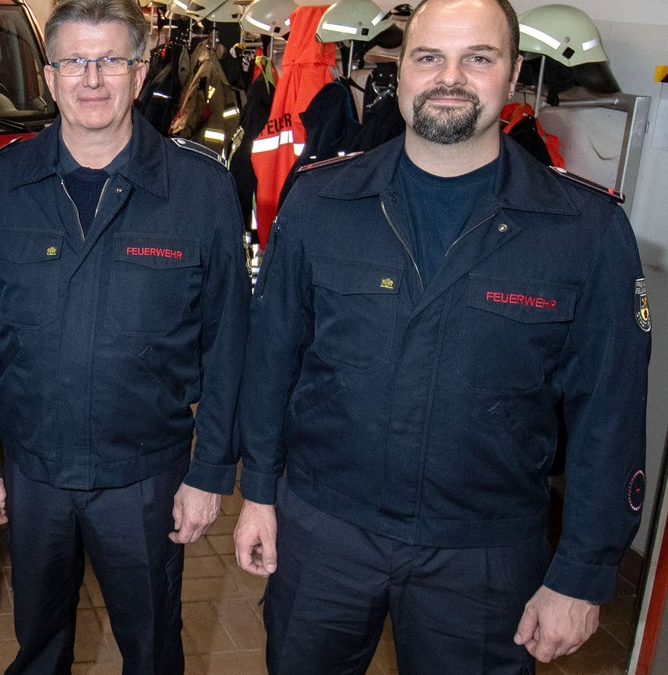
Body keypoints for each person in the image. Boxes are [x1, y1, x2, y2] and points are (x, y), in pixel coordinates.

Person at [234, 0, 652, 673]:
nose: (449, 77)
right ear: (401, 69)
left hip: (482, 556)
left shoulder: (584, 232)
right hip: (325, 531)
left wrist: (582, 573)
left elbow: (609, 415)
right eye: (429, 57)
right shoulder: (322, 203)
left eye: (477, 58)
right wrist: (257, 490)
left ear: (512, 72)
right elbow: (272, 356)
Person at [0, 0, 250, 671]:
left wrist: (211, 472)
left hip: (145, 477)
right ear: (50, 76)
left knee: (151, 647)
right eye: (75, 62)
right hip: (33, 471)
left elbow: (231, 343)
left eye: (110, 60)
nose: (92, 79)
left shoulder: (199, 191)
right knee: (39, 643)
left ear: (141, 71)